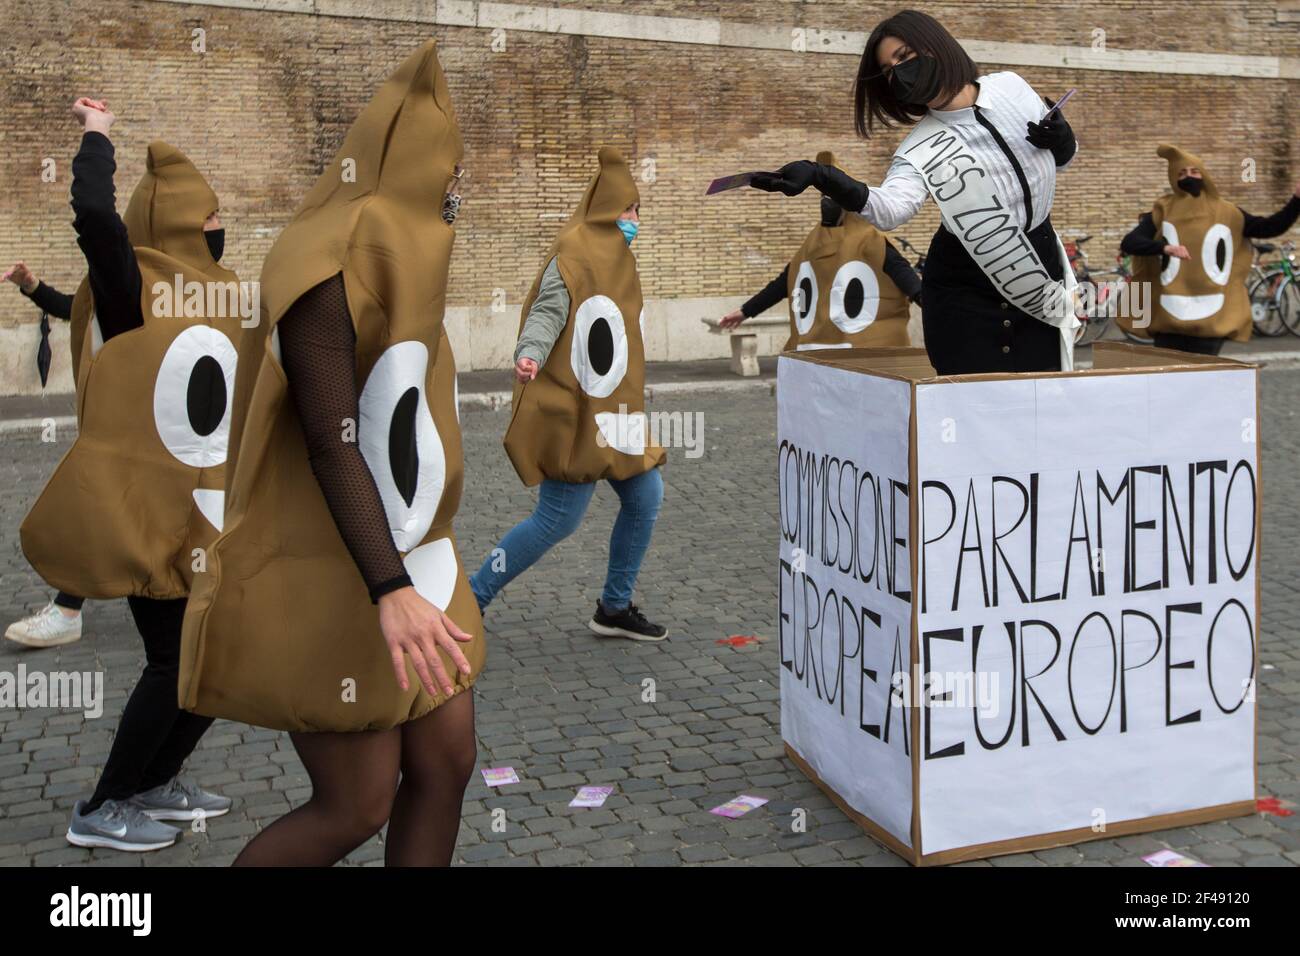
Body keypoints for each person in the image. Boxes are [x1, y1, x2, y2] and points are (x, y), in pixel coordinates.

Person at [178, 41, 485, 867]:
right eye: (452, 174)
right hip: (332, 563)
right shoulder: (325, 257)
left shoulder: (404, 254)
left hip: (414, 555)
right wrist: (387, 588)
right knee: (355, 804)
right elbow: (330, 436)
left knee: (447, 761)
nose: (458, 193)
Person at [19, 98, 237, 851]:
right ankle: (103, 805)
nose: (219, 226)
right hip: (149, 520)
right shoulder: (131, 293)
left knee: (218, 658)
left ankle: (155, 783)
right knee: (174, 660)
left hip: (206, 518)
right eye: (210, 216)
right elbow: (95, 218)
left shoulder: (217, 297)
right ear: (179, 225)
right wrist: (97, 136)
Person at [749, 8, 1080, 374]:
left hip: (1038, 268)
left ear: (934, 44)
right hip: (964, 291)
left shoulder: (1012, 88)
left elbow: (1059, 162)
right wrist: (820, 175)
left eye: (904, 57)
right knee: (975, 403)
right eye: (890, 71)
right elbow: (891, 210)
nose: (900, 72)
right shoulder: (918, 149)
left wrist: (1063, 142)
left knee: (1043, 392)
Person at [485, 146, 668, 642]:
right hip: (578, 409)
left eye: (638, 212)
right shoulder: (575, 249)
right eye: (629, 210)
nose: (635, 220)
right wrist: (531, 352)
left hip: (617, 411)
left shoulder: (620, 259)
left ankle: (613, 607)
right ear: (608, 206)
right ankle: (470, 597)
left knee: (646, 494)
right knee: (557, 520)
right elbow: (549, 308)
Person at [721, 150, 921, 349]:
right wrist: (745, 311)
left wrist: (939, 308)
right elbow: (783, 283)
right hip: (818, 351)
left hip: (862, 354)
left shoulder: (870, 241)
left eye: (831, 196)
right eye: (823, 195)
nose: (826, 201)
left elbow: (908, 280)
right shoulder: (812, 244)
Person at [1119, 143, 1300, 355]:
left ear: (1204, 175)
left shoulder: (1227, 213)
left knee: (1204, 374)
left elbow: (1268, 227)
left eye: (1195, 171)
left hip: (1211, 318)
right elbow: (1130, 242)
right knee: (1169, 375)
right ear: (1173, 178)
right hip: (1169, 317)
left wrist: (1296, 201)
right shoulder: (1162, 210)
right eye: (1182, 173)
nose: (1189, 177)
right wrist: (1165, 248)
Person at [2, 263, 87, 647]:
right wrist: (33, 285)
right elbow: (75, 307)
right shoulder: (128, 279)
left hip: (181, 431)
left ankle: (68, 610)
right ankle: (68, 609)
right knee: (98, 513)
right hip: (133, 430)